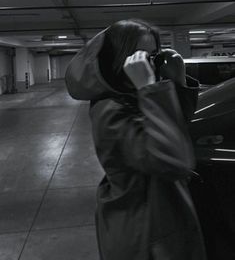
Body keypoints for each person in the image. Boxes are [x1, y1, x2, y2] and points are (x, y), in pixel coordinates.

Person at [65, 19, 207, 260]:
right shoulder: (111, 111)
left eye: (154, 57)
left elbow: (175, 130)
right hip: (144, 232)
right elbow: (175, 160)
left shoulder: (132, 96)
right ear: (120, 59)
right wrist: (149, 89)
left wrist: (176, 81)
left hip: (161, 217)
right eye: (143, 58)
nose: (151, 65)